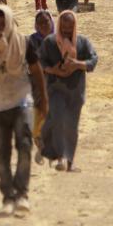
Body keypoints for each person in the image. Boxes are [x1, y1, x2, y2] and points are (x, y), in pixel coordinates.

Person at [0, 5, 45, 216]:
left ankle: (22, 193)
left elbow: (36, 70)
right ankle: (8, 196)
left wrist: (43, 99)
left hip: (22, 100)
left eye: (2, 23)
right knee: (2, 153)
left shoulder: (24, 42)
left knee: (24, 146)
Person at [39, 11, 98, 172]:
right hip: (55, 89)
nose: (66, 32)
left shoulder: (82, 43)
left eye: (69, 29)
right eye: (63, 28)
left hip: (75, 91)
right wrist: (52, 70)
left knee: (71, 126)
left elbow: (93, 60)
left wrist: (77, 64)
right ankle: (60, 157)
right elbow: (40, 60)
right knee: (58, 120)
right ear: (58, 26)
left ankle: (70, 161)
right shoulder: (50, 43)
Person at [27, 10, 55, 164]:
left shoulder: (59, 39)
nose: (44, 25)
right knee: (36, 123)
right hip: (37, 86)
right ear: (36, 25)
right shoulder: (31, 41)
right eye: (41, 23)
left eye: (46, 21)